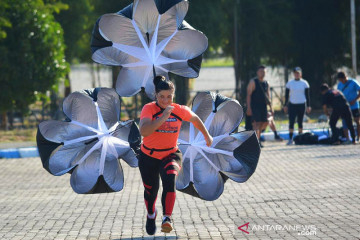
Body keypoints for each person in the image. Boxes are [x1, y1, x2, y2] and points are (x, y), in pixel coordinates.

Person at [138, 76, 213, 235]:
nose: (166, 100)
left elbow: (195, 119)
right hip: (148, 156)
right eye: (162, 97)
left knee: (170, 178)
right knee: (151, 191)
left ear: (173, 95)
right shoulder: (148, 109)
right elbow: (144, 131)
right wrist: (164, 116)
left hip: (170, 154)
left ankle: (167, 218)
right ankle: (151, 214)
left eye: (169, 96)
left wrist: (207, 136)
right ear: (156, 95)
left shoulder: (179, 110)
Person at [246, 65, 273, 147]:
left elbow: (268, 96)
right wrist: (249, 108)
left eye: (264, 72)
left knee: (264, 123)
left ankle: (258, 138)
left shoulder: (266, 83)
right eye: (261, 71)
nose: (262, 73)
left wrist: (271, 108)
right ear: (257, 72)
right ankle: (256, 141)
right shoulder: (253, 82)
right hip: (255, 106)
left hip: (263, 106)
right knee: (256, 124)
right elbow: (248, 95)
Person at [283, 67, 311, 145]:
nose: (296, 74)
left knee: (300, 122)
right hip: (292, 105)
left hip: (301, 104)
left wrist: (308, 106)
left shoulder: (304, 83)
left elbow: (307, 95)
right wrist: (285, 105)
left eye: (298, 73)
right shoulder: (290, 83)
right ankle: (290, 138)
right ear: (293, 74)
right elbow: (287, 95)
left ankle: (300, 138)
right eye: (295, 73)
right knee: (291, 122)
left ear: (300, 74)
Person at [336, 71, 360, 141]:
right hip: (345, 106)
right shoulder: (339, 85)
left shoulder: (353, 82)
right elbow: (338, 95)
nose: (341, 81)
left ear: (345, 77)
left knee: (357, 121)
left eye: (342, 80)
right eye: (340, 80)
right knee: (345, 122)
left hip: (354, 105)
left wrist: (355, 100)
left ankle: (358, 136)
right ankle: (348, 138)